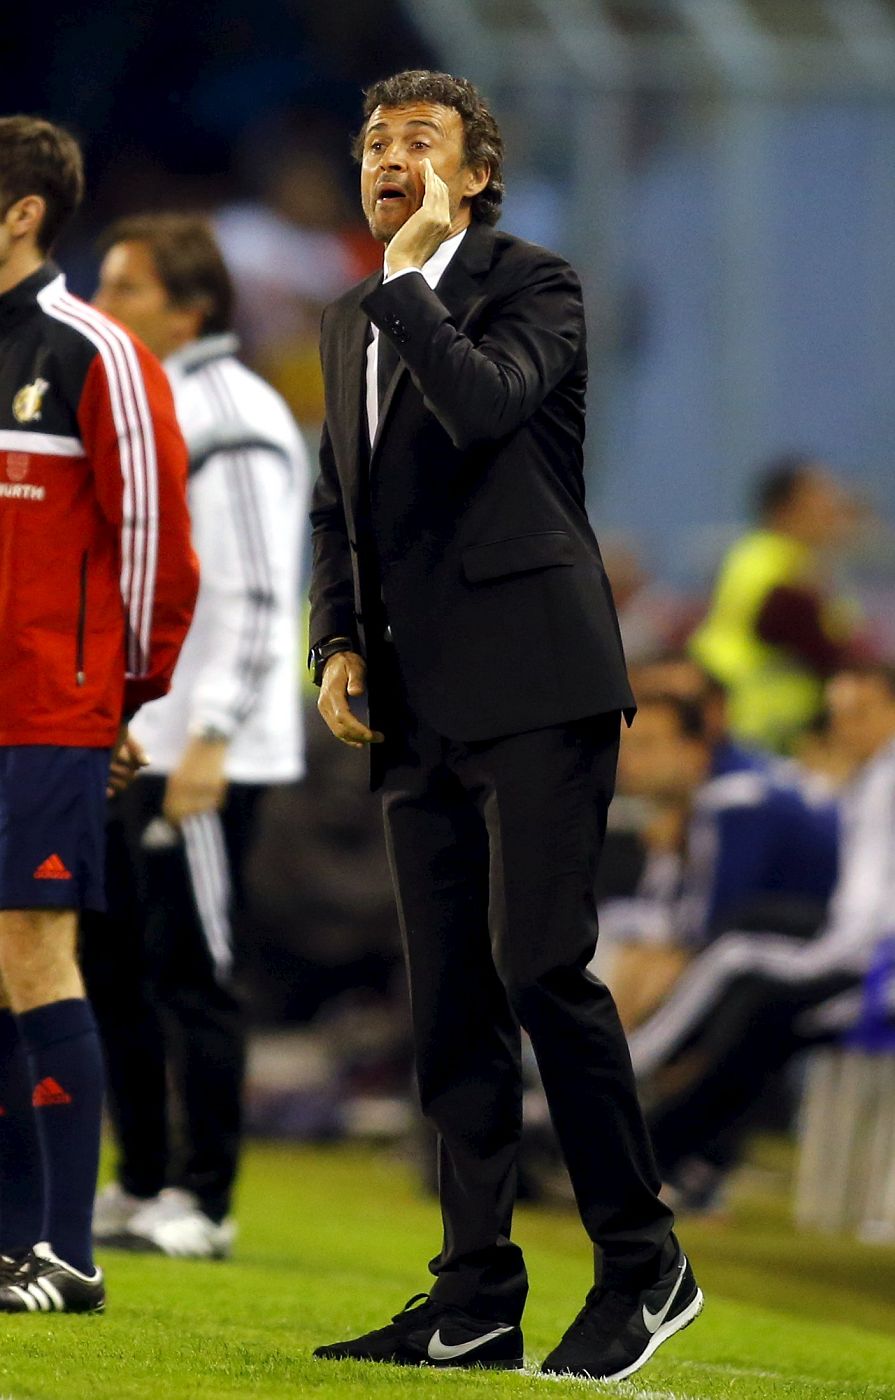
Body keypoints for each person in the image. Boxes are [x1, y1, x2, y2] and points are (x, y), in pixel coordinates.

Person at [308, 69, 702, 1383]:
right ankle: (473, 1293)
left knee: (541, 970)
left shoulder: (534, 284)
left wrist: (408, 286)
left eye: (417, 140)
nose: (387, 158)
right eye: (373, 140)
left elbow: (480, 408)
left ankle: (643, 1261)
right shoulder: (352, 316)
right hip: (412, 699)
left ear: (474, 176)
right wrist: (335, 639)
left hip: (537, 678)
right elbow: (339, 501)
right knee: (448, 1007)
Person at [0, 118, 198, 1311]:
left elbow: (158, 549)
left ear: (24, 211)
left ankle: (68, 1251)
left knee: (35, 948)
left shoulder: (96, 352)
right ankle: (12, 1239)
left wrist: (116, 700)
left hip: (48, 709)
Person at [83, 215, 309, 1257]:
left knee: (194, 969)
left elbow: (259, 590)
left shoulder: (234, 413)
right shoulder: (146, 403)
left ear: (191, 309)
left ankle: (206, 1200)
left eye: (125, 288)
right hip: (138, 737)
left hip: (206, 749)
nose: (102, 304)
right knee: (116, 965)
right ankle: (140, 1180)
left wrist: (212, 733)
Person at [627, 664, 895, 1212]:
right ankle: (664, 1153)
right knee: (755, 1003)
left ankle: (615, 1096)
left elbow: (868, 917)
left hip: (871, 960)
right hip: (858, 950)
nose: (845, 728)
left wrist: (835, 962)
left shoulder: (880, 780)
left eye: (861, 713)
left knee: (737, 961)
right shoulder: (869, 779)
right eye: (838, 715)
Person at [601, 693, 839, 1029]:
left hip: (817, 941)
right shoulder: (683, 808)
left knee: (661, 960)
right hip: (763, 935)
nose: (628, 762)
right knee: (635, 947)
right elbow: (664, 905)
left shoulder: (735, 799)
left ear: (695, 750)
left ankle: (623, 1058)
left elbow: (704, 923)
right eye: (626, 746)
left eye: (647, 745)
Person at [690, 454, 861, 752]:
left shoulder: (793, 559)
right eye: (820, 500)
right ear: (784, 509)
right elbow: (819, 648)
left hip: (767, 719)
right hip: (753, 719)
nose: (832, 511)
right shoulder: (772, 562)